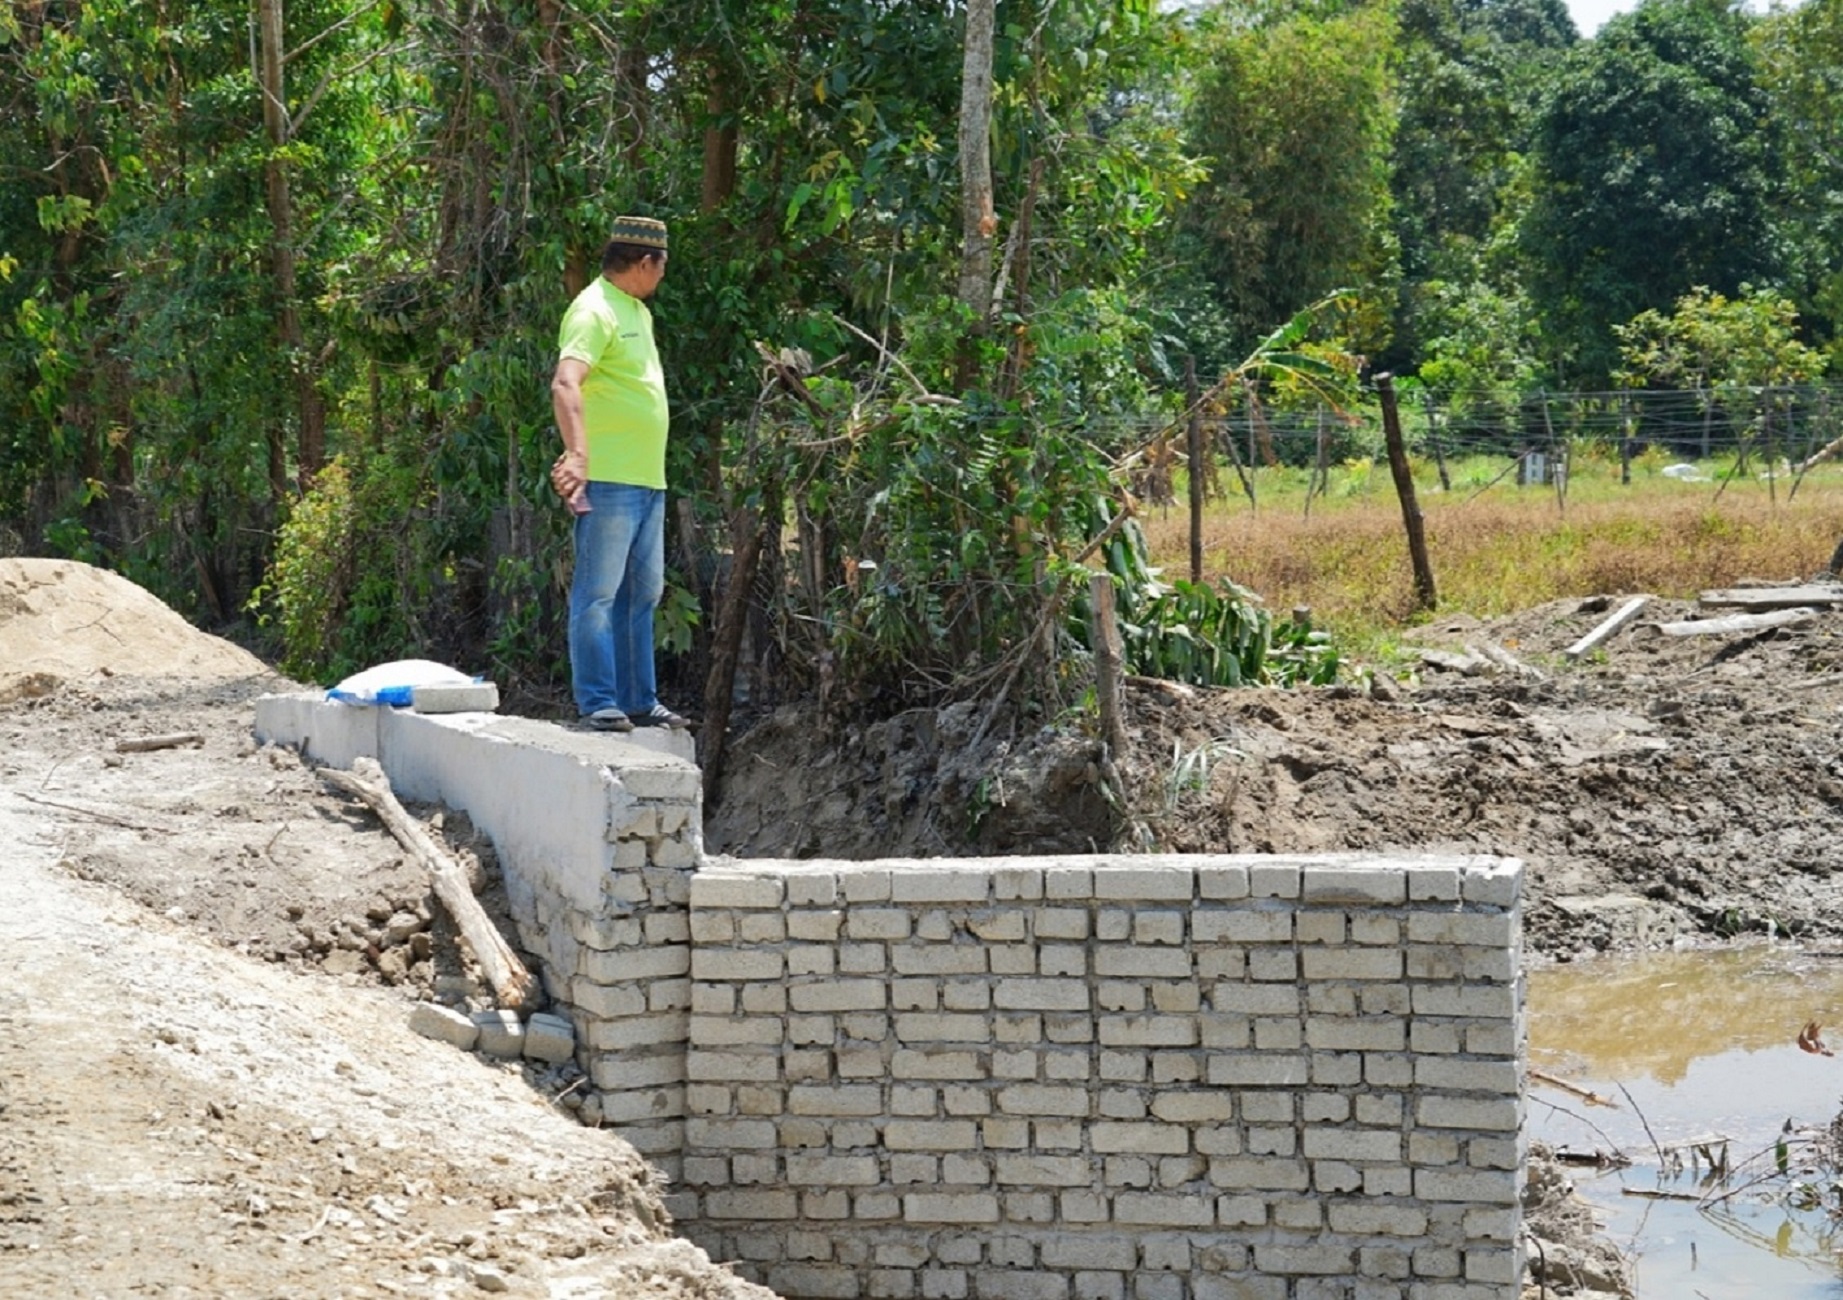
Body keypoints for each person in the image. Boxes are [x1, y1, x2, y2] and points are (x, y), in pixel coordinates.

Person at [549, 215, 688, 732]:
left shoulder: (635, 311)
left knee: (642, 594)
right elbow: (566, 383)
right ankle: (598, 702)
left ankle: (638, 700)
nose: (664, 275)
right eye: (664, 265)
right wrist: (578, 454)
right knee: (599, 593)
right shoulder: (592, 310)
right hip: (609, 479)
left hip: (649, 480)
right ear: (646, 262)